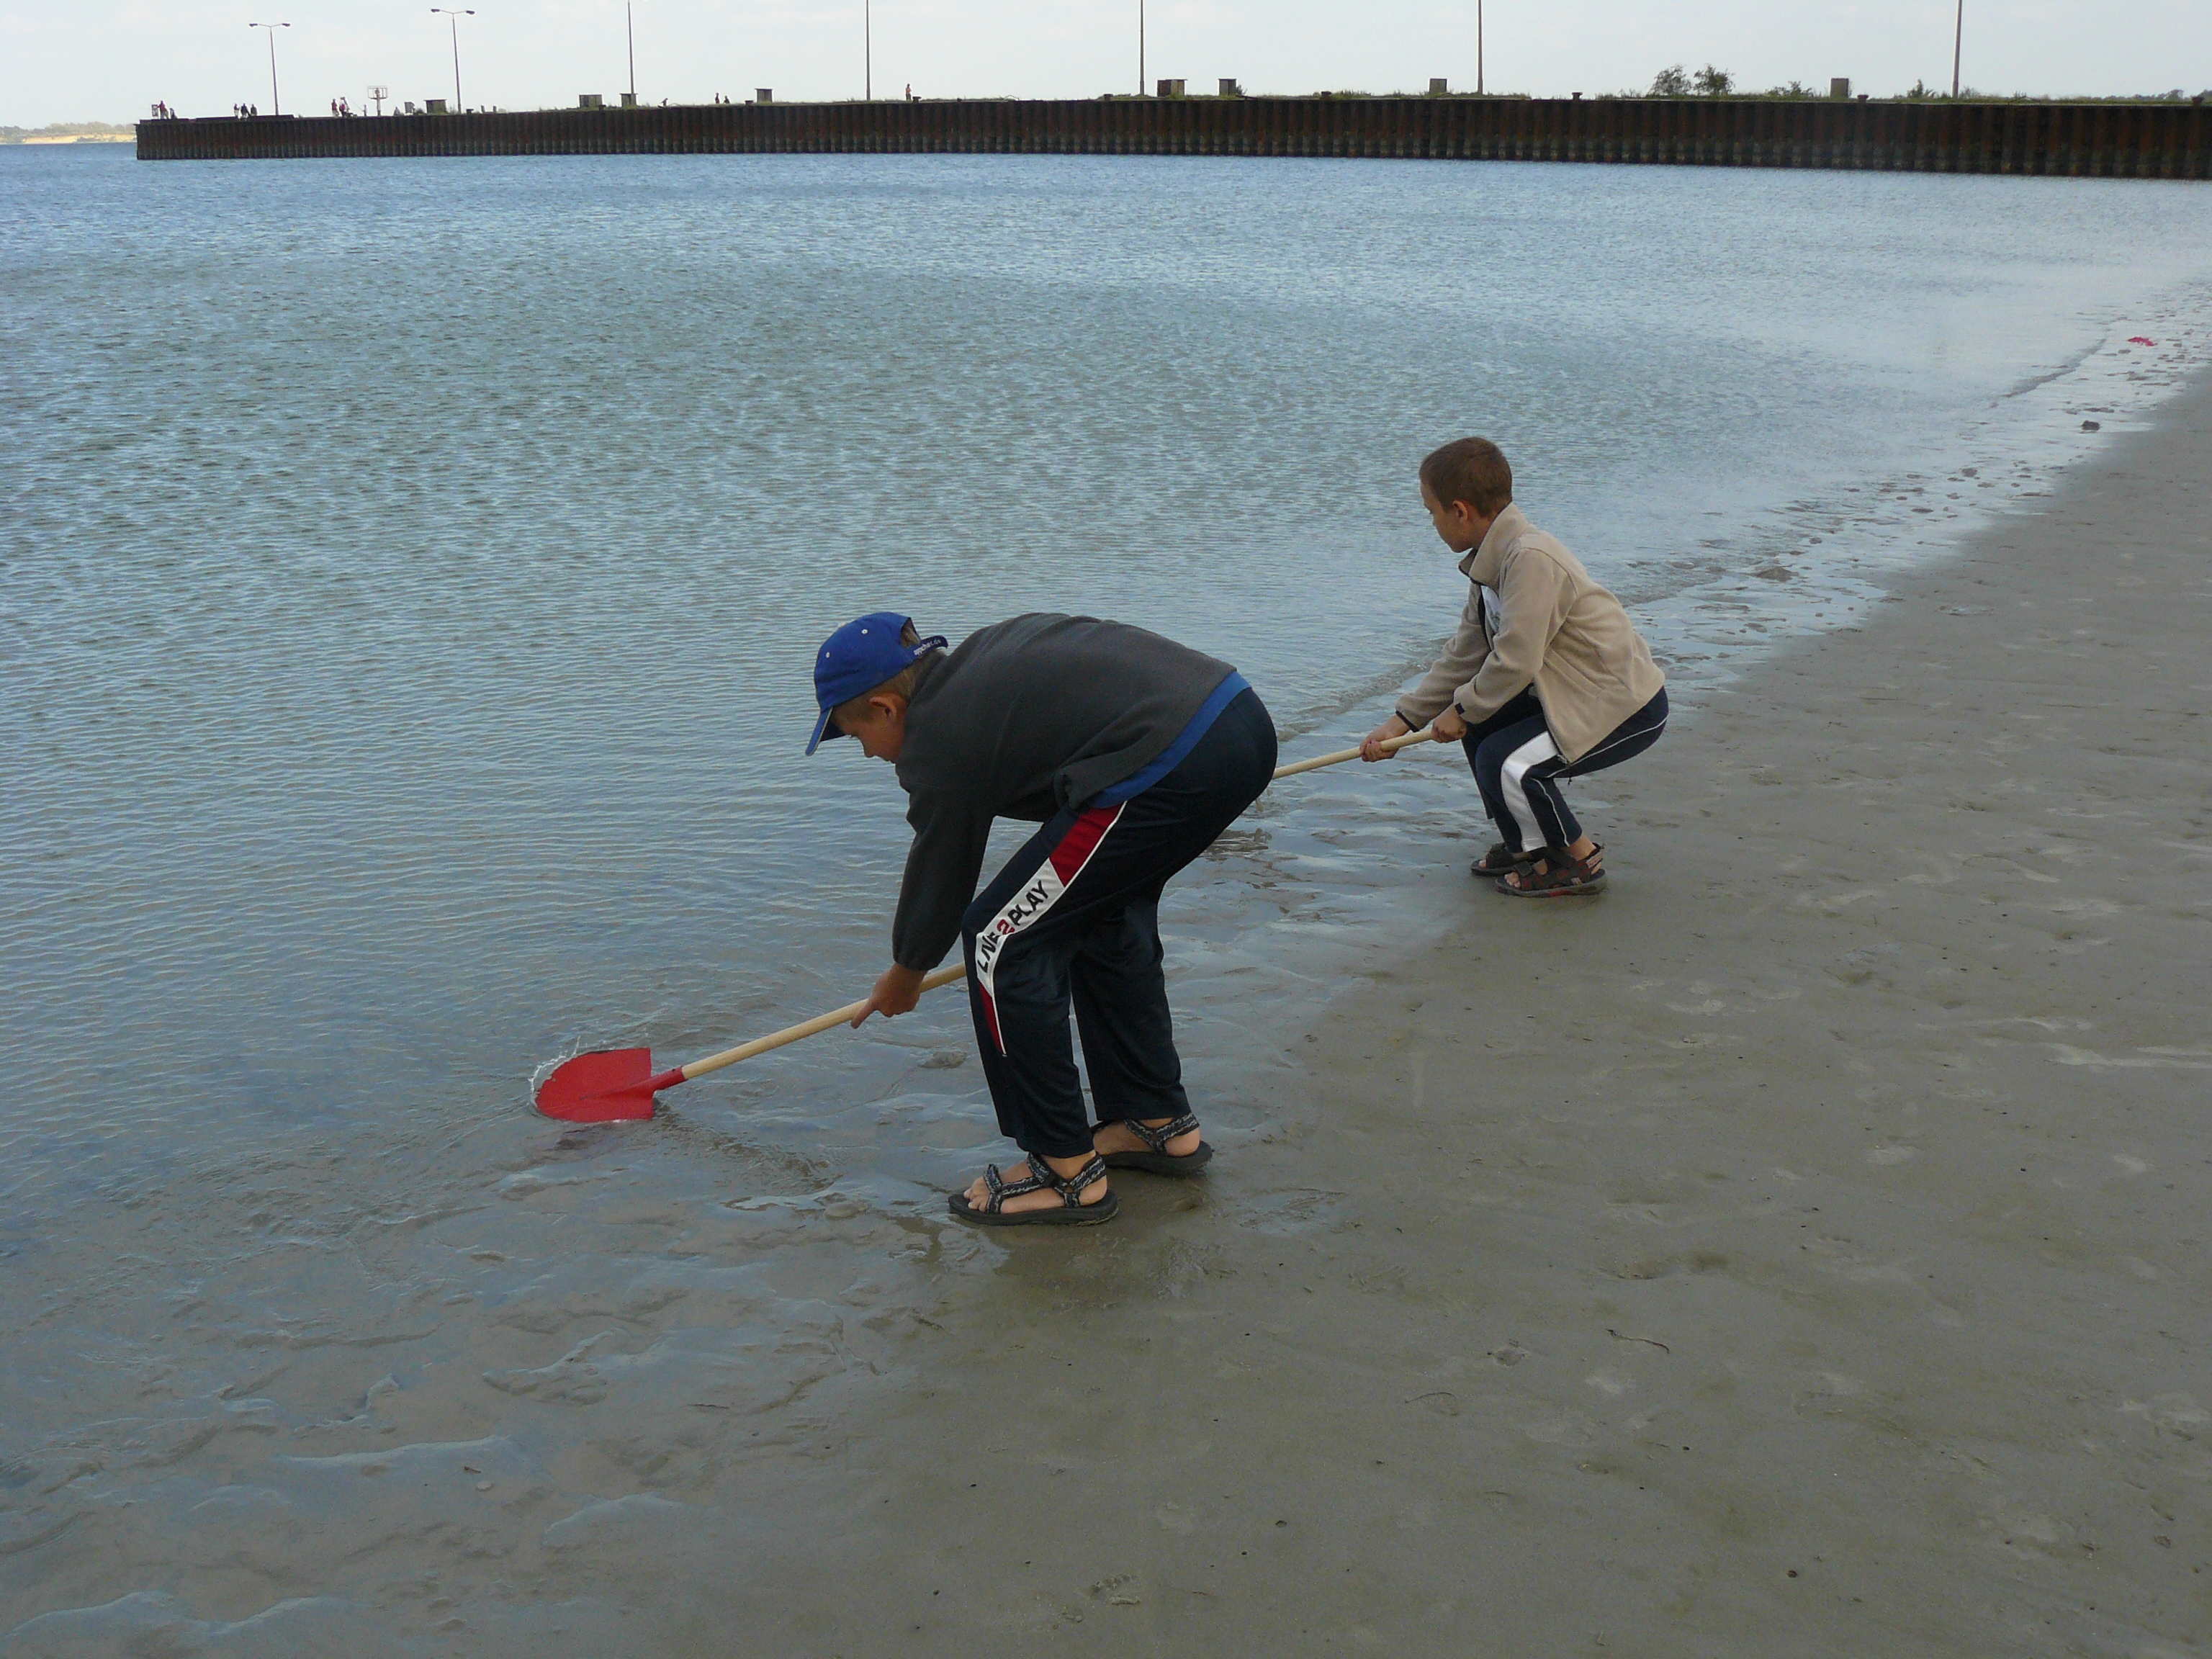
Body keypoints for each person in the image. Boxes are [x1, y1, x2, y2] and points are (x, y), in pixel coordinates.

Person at [811, 612, 1276, 1226]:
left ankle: (1065, 1170)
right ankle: (1153, 1120)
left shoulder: (939, 733)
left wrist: (906, 972)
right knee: (1099, 914)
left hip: (1172, 756)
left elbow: (943, 866)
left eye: (856, 736)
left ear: (886, 708)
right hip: (1235, 723)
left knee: (1000, 941)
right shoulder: (974, 674)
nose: (868, 753)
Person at [1361, 437, 1667, 896]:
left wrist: (1460, 710)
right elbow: (1465, 653)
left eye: (1431, 512)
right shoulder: (1491, 563)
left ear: (1460, 511)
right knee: (1480, 727)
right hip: (1569, 696)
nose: (1432, 523)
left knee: (1505, 760)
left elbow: (1516, 661)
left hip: (1622, 707)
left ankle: (1577, 859)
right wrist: (1402, 722)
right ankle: (1529, 847)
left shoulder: (1531, 559)